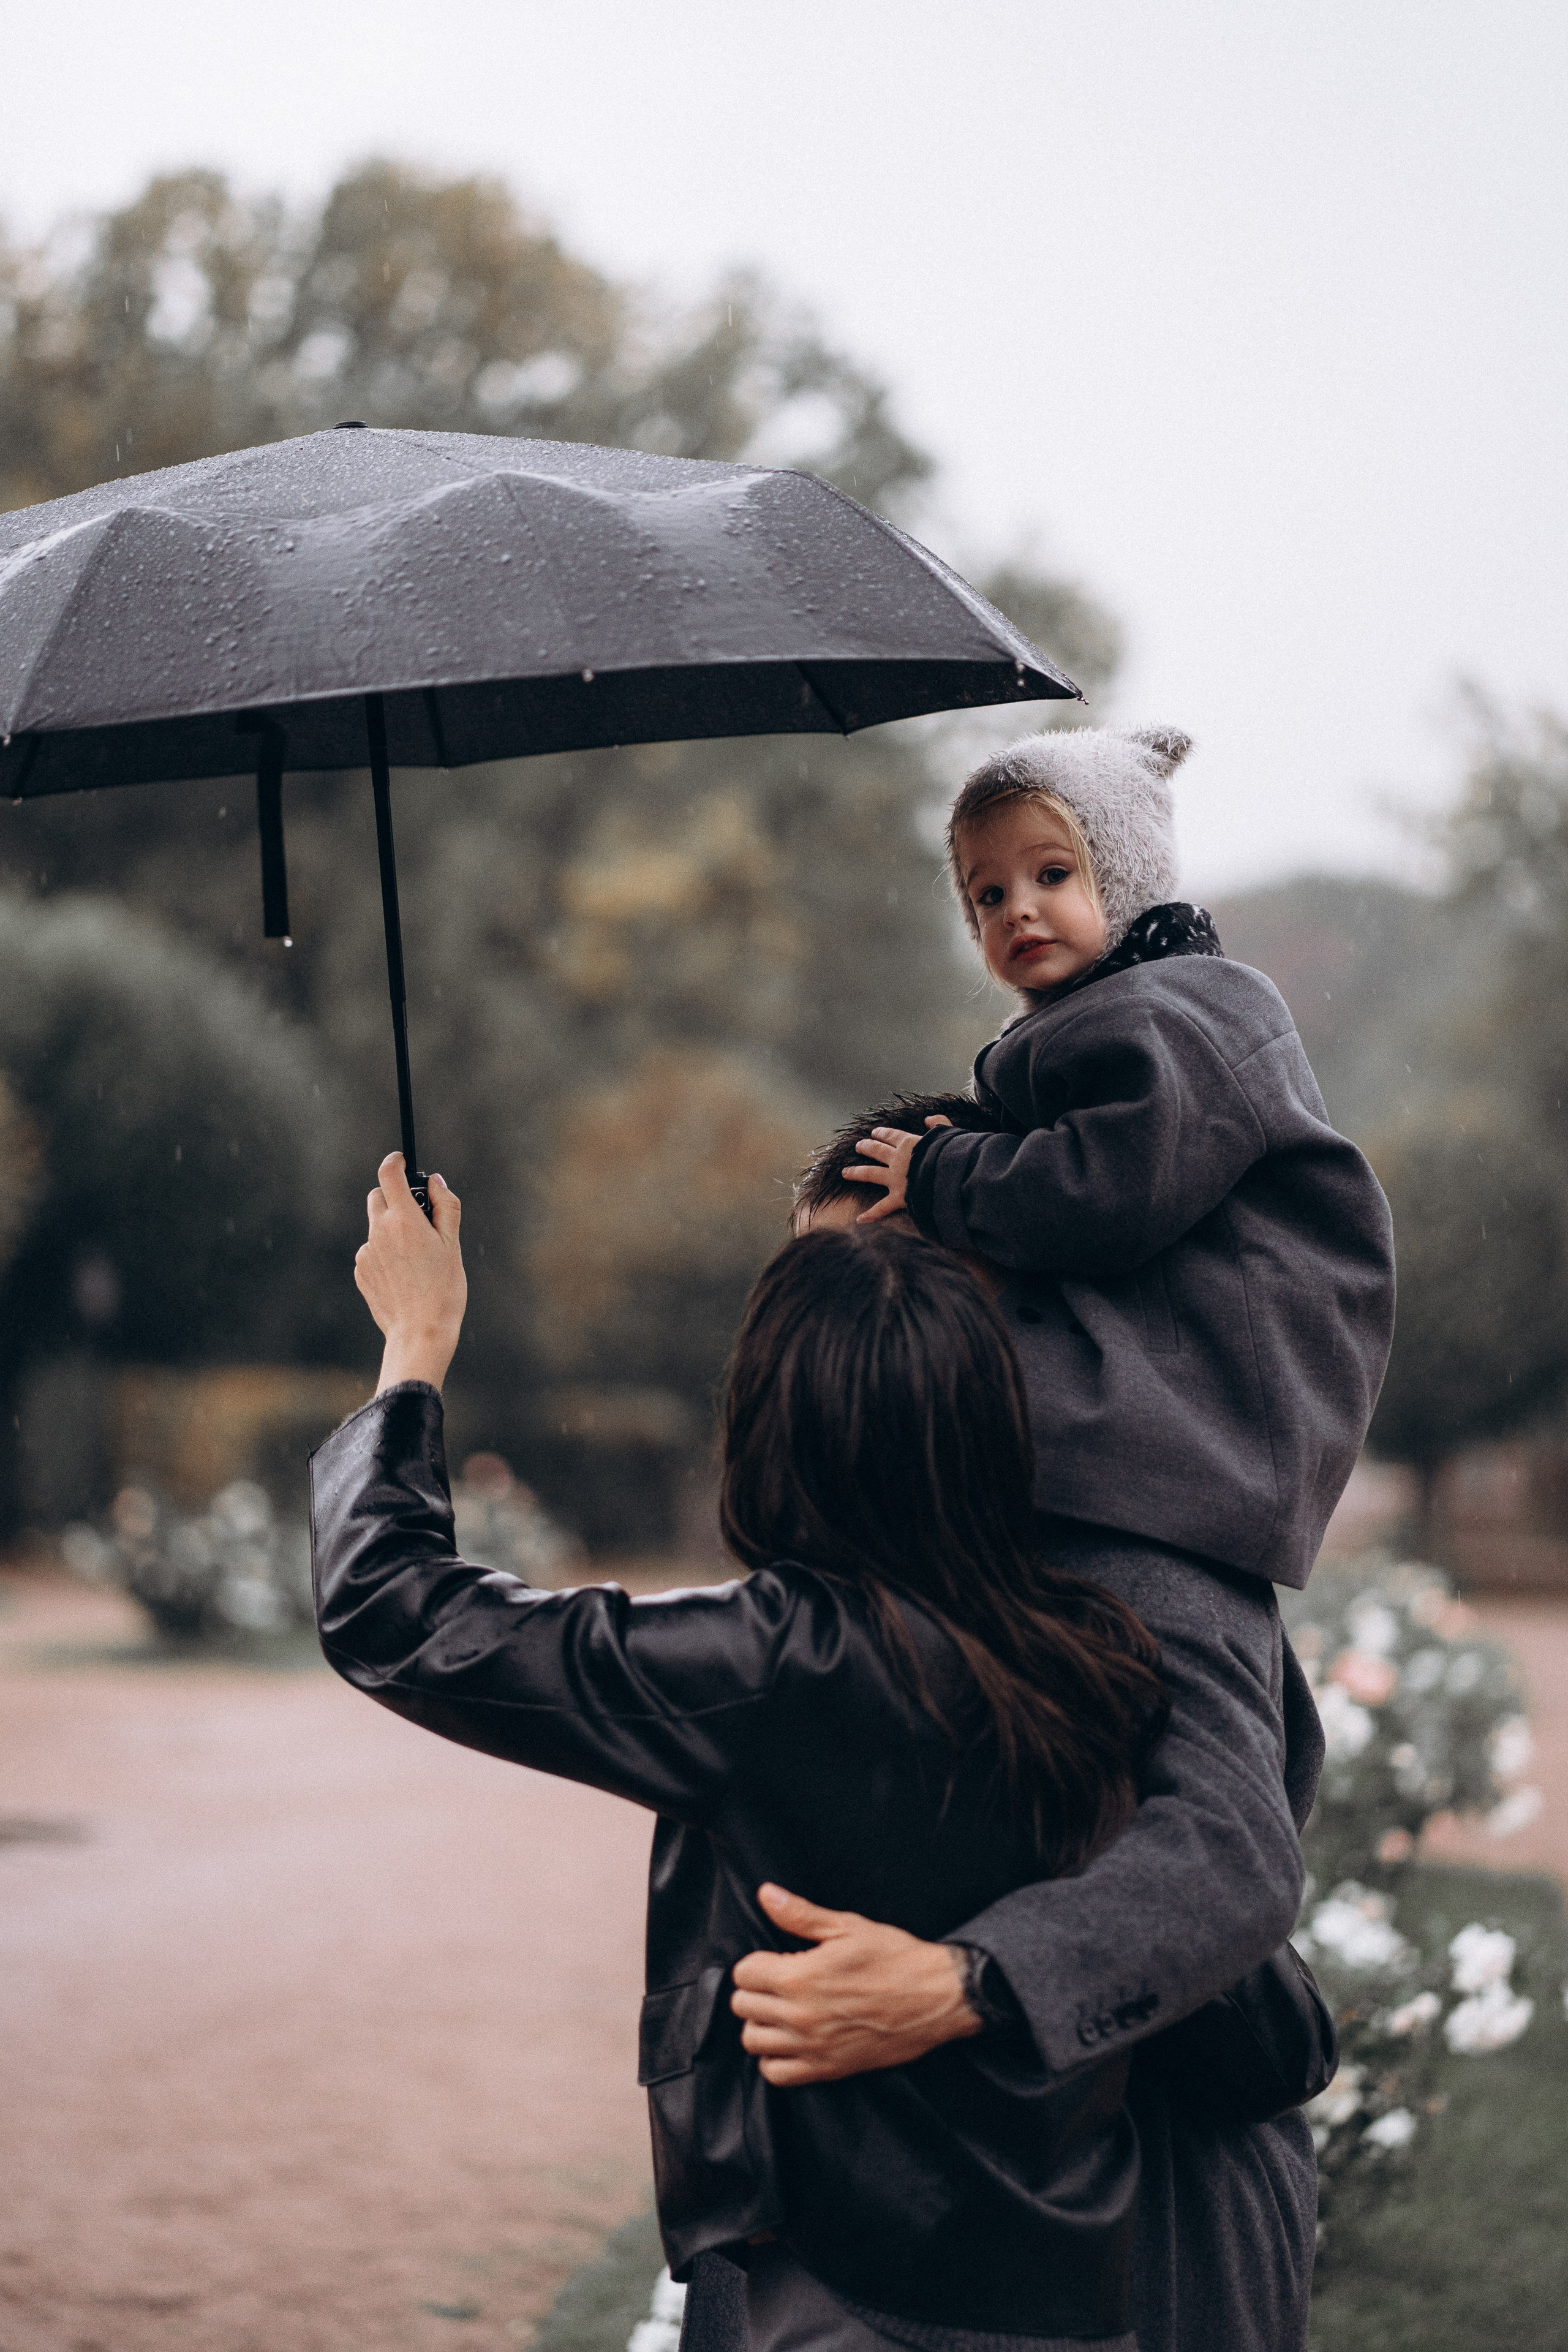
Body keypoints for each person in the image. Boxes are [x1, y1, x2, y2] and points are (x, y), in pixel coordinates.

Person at [721, 726, 1395, 2352]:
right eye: (986, 893)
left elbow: (1223, 1857)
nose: (845, 1345)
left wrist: (960, 1986)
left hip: (1164, 2240)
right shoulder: (960, 1547)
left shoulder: (1147, 1539)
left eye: (878, 1288)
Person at [312, 1158, 1170, 2351]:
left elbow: (396, 1615)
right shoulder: (1101, 1656)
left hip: (835, 2297)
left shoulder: (774, 1664)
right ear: (985, 1416)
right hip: (1068, 2293)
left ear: (773, 1417)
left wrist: (416, 1342)